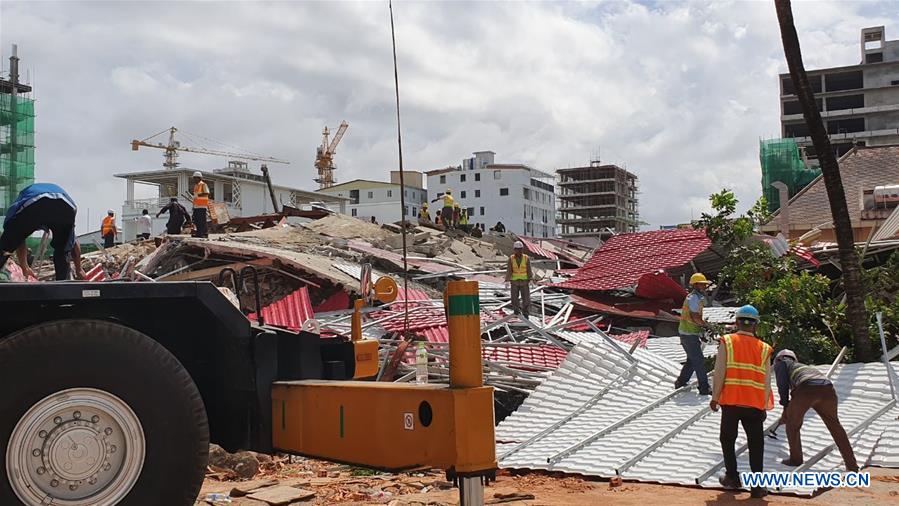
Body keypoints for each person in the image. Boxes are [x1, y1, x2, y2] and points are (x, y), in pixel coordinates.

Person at [710, 305, 773, 499]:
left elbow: (719, 371)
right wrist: (764, 404)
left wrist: (715, 397)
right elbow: (766, 381)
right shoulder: (764, 349)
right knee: (756, 444)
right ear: (755, 325)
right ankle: (757, 487)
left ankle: (732, 477)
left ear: (737, 322)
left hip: (731, 402)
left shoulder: (727, 342)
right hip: (753, 404)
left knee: (727, 439)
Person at [774, 349, 859, 472]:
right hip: (827, 389)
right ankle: (852, 465)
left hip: (806, 389)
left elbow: (782, 386)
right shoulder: (804, 367)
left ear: (779, 359)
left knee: (792, 424)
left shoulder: (781, 363)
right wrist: (787, 410)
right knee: (835, 426)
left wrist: (785, 408)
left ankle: (795, 459)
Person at [0, 182, 85, 280]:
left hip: (36, 201)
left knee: (5, 246)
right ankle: (62, 287)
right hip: (67, 205)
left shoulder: (17, 206)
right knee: (63, 250)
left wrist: (24, 266)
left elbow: (17, 237)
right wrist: (79, 269)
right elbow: (72, 241)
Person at [675, 273, 712, 395]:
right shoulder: (693, 298)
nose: (704, 286)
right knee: (699, 361)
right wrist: (706, 326)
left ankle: (681, 381)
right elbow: (695, 317)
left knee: (692, 359)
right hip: (688, 333)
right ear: (695, 285)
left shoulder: (697, 297)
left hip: (689, 332)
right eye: (702, 284)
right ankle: (704, 387)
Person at [505, 241, 533, 318]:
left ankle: (526, 313)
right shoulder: (511, 258)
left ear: (522, 249)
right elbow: (509, 270)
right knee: (514, 298)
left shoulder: (526, 258)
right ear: (514, 249)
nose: (519, 251)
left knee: (526, 299)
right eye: (517, 249)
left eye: (520, 249)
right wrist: (507, 280)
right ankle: (516, 311)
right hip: (514, 282)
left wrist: (530, 279)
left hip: (524, 282)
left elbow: (529, 269)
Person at [191, 171, 210, 238]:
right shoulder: (196, 186)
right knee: (197, 220)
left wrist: (198, 195)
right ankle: (199, 233)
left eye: (195, 178)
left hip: (202, 205)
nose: (194, 179)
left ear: (199, 178)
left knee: (202, 220)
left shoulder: (203, 184)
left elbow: (206, 193)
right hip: (197, 206)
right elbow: (195, 197)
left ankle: (204, 233)